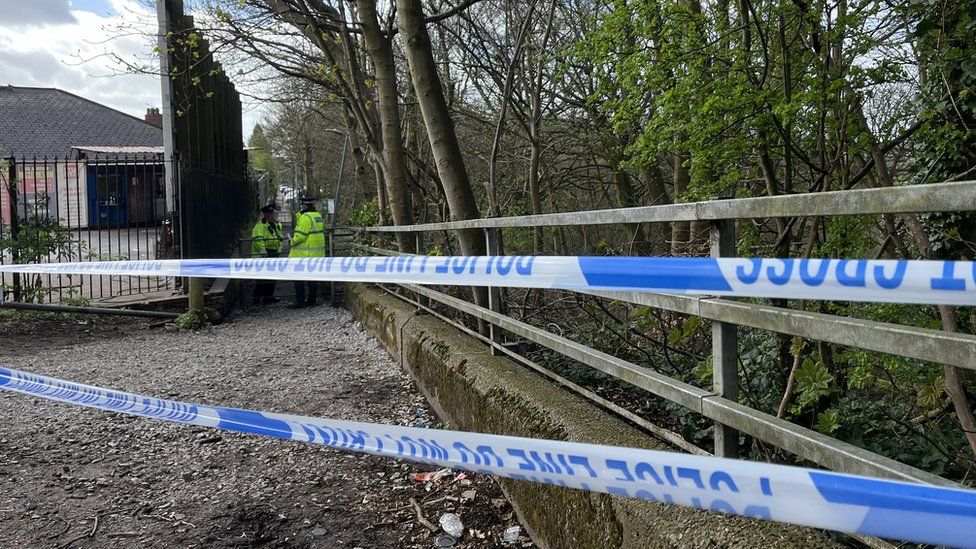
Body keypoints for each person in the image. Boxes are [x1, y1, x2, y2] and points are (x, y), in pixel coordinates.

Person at [288, 196, 326, 308]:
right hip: (316, 253)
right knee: (312, 279)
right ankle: (311, 301)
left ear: (304, 206)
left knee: (298, 279)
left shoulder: (305, 218)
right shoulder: (317, 216)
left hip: (303, 255)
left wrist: (291, 242)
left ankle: (300, 301)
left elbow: (300, 236)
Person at [251, 204, 283, 304]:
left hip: (273, 252)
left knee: (272, 276)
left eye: (272, 213)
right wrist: (263, 251)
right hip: (264, 254)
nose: (272, 215)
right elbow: (257, 240)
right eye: (270, 213)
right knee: (262, 278)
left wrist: (279, 248)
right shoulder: (260, 226)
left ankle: (268, 297)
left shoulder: (276, 224)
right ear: (266, 214)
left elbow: (279, 237)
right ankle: (256, 298)